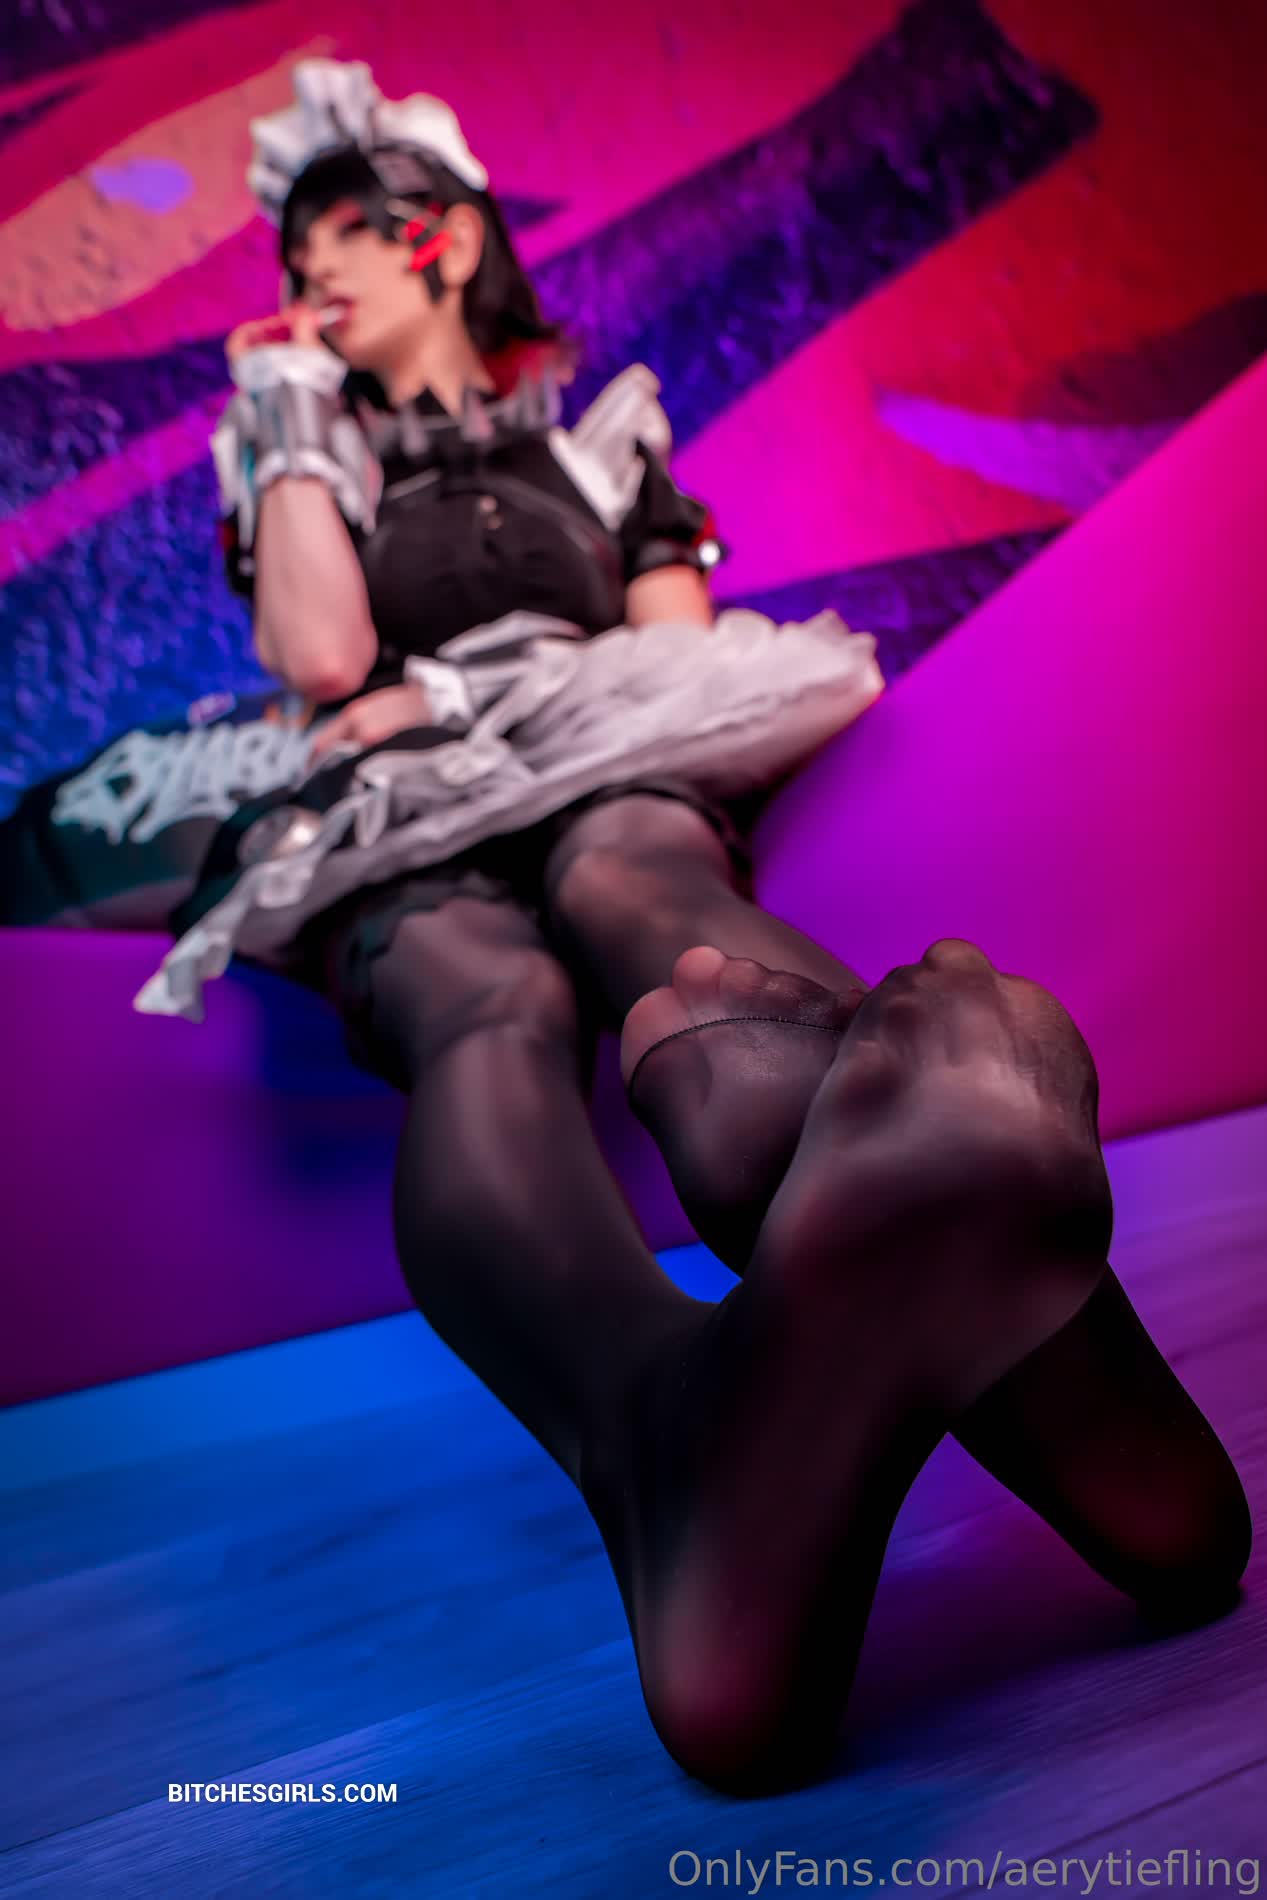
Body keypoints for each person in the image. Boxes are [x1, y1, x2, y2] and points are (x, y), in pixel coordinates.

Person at [8, 60, 1251, 1794]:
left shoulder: (604, 445)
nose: (303, 284)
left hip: (603, 755)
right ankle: (970, 1370)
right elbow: (321, 661)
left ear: (437, 237)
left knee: (640, 882)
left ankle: (774, 1230)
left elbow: (681, 665)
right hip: (396, 808)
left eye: (329, 244)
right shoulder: (298, 449)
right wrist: (284, 413)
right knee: (477, 993)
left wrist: (529, 689)